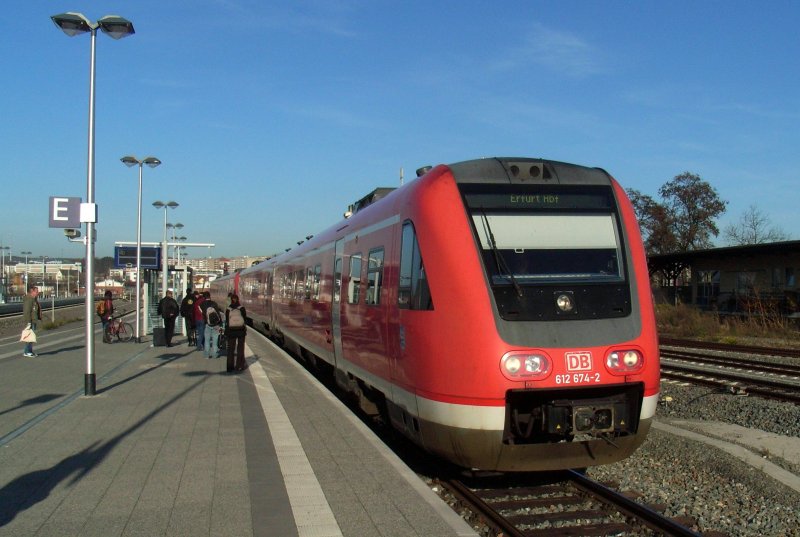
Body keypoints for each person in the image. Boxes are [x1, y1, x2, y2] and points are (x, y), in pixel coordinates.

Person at [225, 294, 247, 372]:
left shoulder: (228, 309)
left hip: (231, 331)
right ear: (238, 300)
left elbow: (227, 321)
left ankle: (230, 367)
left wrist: (226, 331)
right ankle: (239, 366)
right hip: (241, 330)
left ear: (231, 300)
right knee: (240, 348)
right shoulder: (242, 308)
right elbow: (245, 319)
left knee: (230, 349)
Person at [199, 291, 223, 359]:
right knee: (215, 341)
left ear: (204, 297)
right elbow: (218, 313)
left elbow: (202, 314)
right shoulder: (214, 303)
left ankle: (207, 355)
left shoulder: (202, 304)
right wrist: (220, 323)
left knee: (207, 341)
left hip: (207, 324)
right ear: (210, 296)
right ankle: (215, 355)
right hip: (216, 324)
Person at [22, 285, 41, 357]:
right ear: (32, 291)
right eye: (36, 291)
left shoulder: (33, 299)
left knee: (31, 337)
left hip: (33, 320)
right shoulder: (29, 300)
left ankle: (29, 351)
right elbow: (27, 312)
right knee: (29, 337)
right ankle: (27, 352)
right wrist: (28, 322)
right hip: (30, 321)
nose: (37, 293)